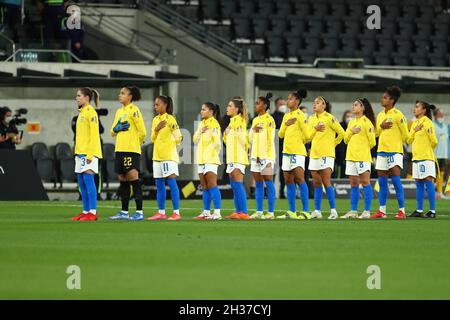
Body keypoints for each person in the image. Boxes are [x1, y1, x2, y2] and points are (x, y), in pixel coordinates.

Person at [108, 87, 147, 221]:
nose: (120, 95)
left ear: (130, 96)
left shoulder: (134, 110)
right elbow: (112, 132)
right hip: (119, 149)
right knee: (123, 180)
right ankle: (124, 211)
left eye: (123, 93)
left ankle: (139, 212)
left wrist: (137, 143)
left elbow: (142, 131)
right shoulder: (119, 111)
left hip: (131, 150)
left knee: (133, 179)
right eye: (120, 93)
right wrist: (116, 128)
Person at [372, 86, 409, 219]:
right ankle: (382, 211)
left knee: (395, 180)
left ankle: (402, 211)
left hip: (394, 151)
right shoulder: (381, 115)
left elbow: (406, 135)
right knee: (382, 182)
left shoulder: (398, 115)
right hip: (381, 151)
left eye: (385, 97)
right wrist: (381, 127)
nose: (382, 99)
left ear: (392, 100)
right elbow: (376, 133)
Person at [307, 96, 345, 219]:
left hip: (326, 154)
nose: (315, 104)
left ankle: (333, 211)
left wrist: (332, 144)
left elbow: (342, 134)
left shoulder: (330, 118)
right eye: (314, 102)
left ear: (324, 105)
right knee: (317, 183)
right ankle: (317, 210)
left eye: (318, 103)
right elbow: (307, 136)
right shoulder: (311, 119)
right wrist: (315, 129)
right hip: (314, 154)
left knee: (326, 181)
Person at [277, 89, 311, 220]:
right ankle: (291, 211)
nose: (287, 101)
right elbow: (280, 135)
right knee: (288, 181)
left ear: (296, 101)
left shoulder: (301, 115)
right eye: (288, 98)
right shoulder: (286, 116)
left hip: (297, 152)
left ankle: (306, 211)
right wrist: (286, 124)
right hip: (286, 152)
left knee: (300, 179)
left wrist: (299, 141)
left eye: (290, 99)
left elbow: (308, 135)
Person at [148, 95, 183, 221]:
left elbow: (179, 137)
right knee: (159, 184)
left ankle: (176, 212)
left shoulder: (171, 119)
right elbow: (152, 138)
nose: (155, 107)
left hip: (168, 156)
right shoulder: (155, 120)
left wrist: (170, 142)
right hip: (157, 156)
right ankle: (161, 212)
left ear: (165, 105)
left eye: (157, 104)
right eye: (155, 104)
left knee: (172, 182)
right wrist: (156, 130)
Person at [340, 99, 376, 219]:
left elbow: (372, 142)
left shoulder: (367, 123)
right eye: (353, 104)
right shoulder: (351, 123)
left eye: (356, 105)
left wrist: (361, 149)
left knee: (365, 183)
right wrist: (351, 132)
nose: (353, 106)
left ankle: (366, 211)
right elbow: (345, 139)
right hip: (350, 157)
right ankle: (353, 211)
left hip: (362, 157)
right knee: (354, 184)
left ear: (362, 107)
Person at [71, 88, 102, 221]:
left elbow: (94, 135)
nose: (76, 98)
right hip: (80, 153)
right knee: (82, 183)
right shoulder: (82, 112)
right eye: (76, 96)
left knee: (89, 181)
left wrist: (90, 154)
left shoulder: (91, 112)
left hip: (89, 153)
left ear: (87, 98)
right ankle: (85, 210)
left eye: (79, 96)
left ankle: (93, 212)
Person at [407, 101, 438, 218]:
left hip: (425, 158)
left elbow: (434, 140)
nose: (414, 109)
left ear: (424, 110)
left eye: (417, 107)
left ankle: (432, 211)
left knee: (428, 181)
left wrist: (427, 151)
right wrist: (415, 130)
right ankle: (419, 210)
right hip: (416, 158)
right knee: (419, 183)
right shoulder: (415, 124)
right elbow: (409, 140)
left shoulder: (428, 122)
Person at [248, 93, 277, 220]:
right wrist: (253, 130)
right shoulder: (255, 120)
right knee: (258, 184)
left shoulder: (269, 120)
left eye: (258, 103)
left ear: (264, 105)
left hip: (266, 156)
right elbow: (250, 139)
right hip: (255, 156)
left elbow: (270, 140)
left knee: (269, 182)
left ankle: (270, 212)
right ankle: (259, 211)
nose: (255, 105)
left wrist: (264, 156)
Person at [193, 102, 222, 220]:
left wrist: (211, 154)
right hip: (201, 159)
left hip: (210, 159)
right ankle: (206, 212)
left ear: (211, 111)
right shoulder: (201, 124)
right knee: (204, 186)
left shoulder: (214, 124)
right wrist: (200, 131)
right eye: (201, 109)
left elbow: (217, 143)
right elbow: (195, 139)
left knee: (212, 185)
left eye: (204, 109)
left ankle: (217, 213)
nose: (201, 111)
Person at [224, 97, 249, 220]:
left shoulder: (239, 121)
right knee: (234, 185)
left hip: (238, 156)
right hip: (231, 157)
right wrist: (226, 133)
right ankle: (238, 211)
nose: (227, 108)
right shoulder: (232, 121)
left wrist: (233, 132)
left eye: (230, 106)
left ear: (237, 109)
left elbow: (244, 140)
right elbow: (226, 140)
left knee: (238, 184)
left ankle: (244, 212)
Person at [271, 97, 287, 198]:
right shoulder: (272, 117)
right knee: (272, 170)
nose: (283, 106)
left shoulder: (287, 117)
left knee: (283, 170)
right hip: (274, 146)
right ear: (276, 105)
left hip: (285, 147)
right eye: (281, 104)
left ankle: (282, 192)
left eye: (284, 104)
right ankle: (270, 191)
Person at [433, 108, 448, 199]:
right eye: (440, 114)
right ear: (435, 115)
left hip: (443, 154)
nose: (442, 116)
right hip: (435, 154)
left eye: (442, 114)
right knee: (433, 174)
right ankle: (431, 192)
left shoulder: (445, 126)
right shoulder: (433, 125)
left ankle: (439, 192)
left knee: (441, 173)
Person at [335, 110, 353, 178]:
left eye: (351, 116)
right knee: (340, 171)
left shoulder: (355, 126)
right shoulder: (340, 125)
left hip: (351, 153)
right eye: (348, 116)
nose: (349, 118)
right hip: (340, 153)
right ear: (344, 117)